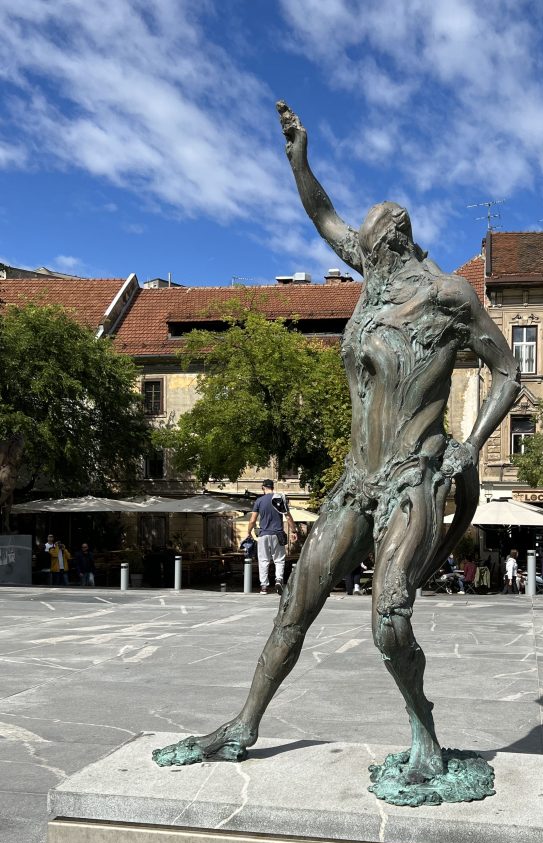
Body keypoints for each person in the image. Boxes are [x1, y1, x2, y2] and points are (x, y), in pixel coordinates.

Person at [153, 101, 519, 781]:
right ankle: (242, 725)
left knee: (388, 621)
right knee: (294, 605)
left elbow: (508, 371)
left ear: (395, 244)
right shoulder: (374, 282)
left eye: (370, 246)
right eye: (362, 249)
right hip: (356, 481)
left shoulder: (450, 296)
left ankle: (425, 733)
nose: (359, 254)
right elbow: (324, 217)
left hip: (414, 476)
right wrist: (300, 160)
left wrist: (471, 444)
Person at [247, 479, 297, 595]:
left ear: (263, 487)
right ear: (272, 487)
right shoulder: (279, 499)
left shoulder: (259, 501)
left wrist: (249, 532)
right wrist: (294, 531)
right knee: (279, 560)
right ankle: (278, 580)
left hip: (263, 534)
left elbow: (252, 520)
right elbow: (288, 517)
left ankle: (264, 587)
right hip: (277, 534)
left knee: (263, 560)